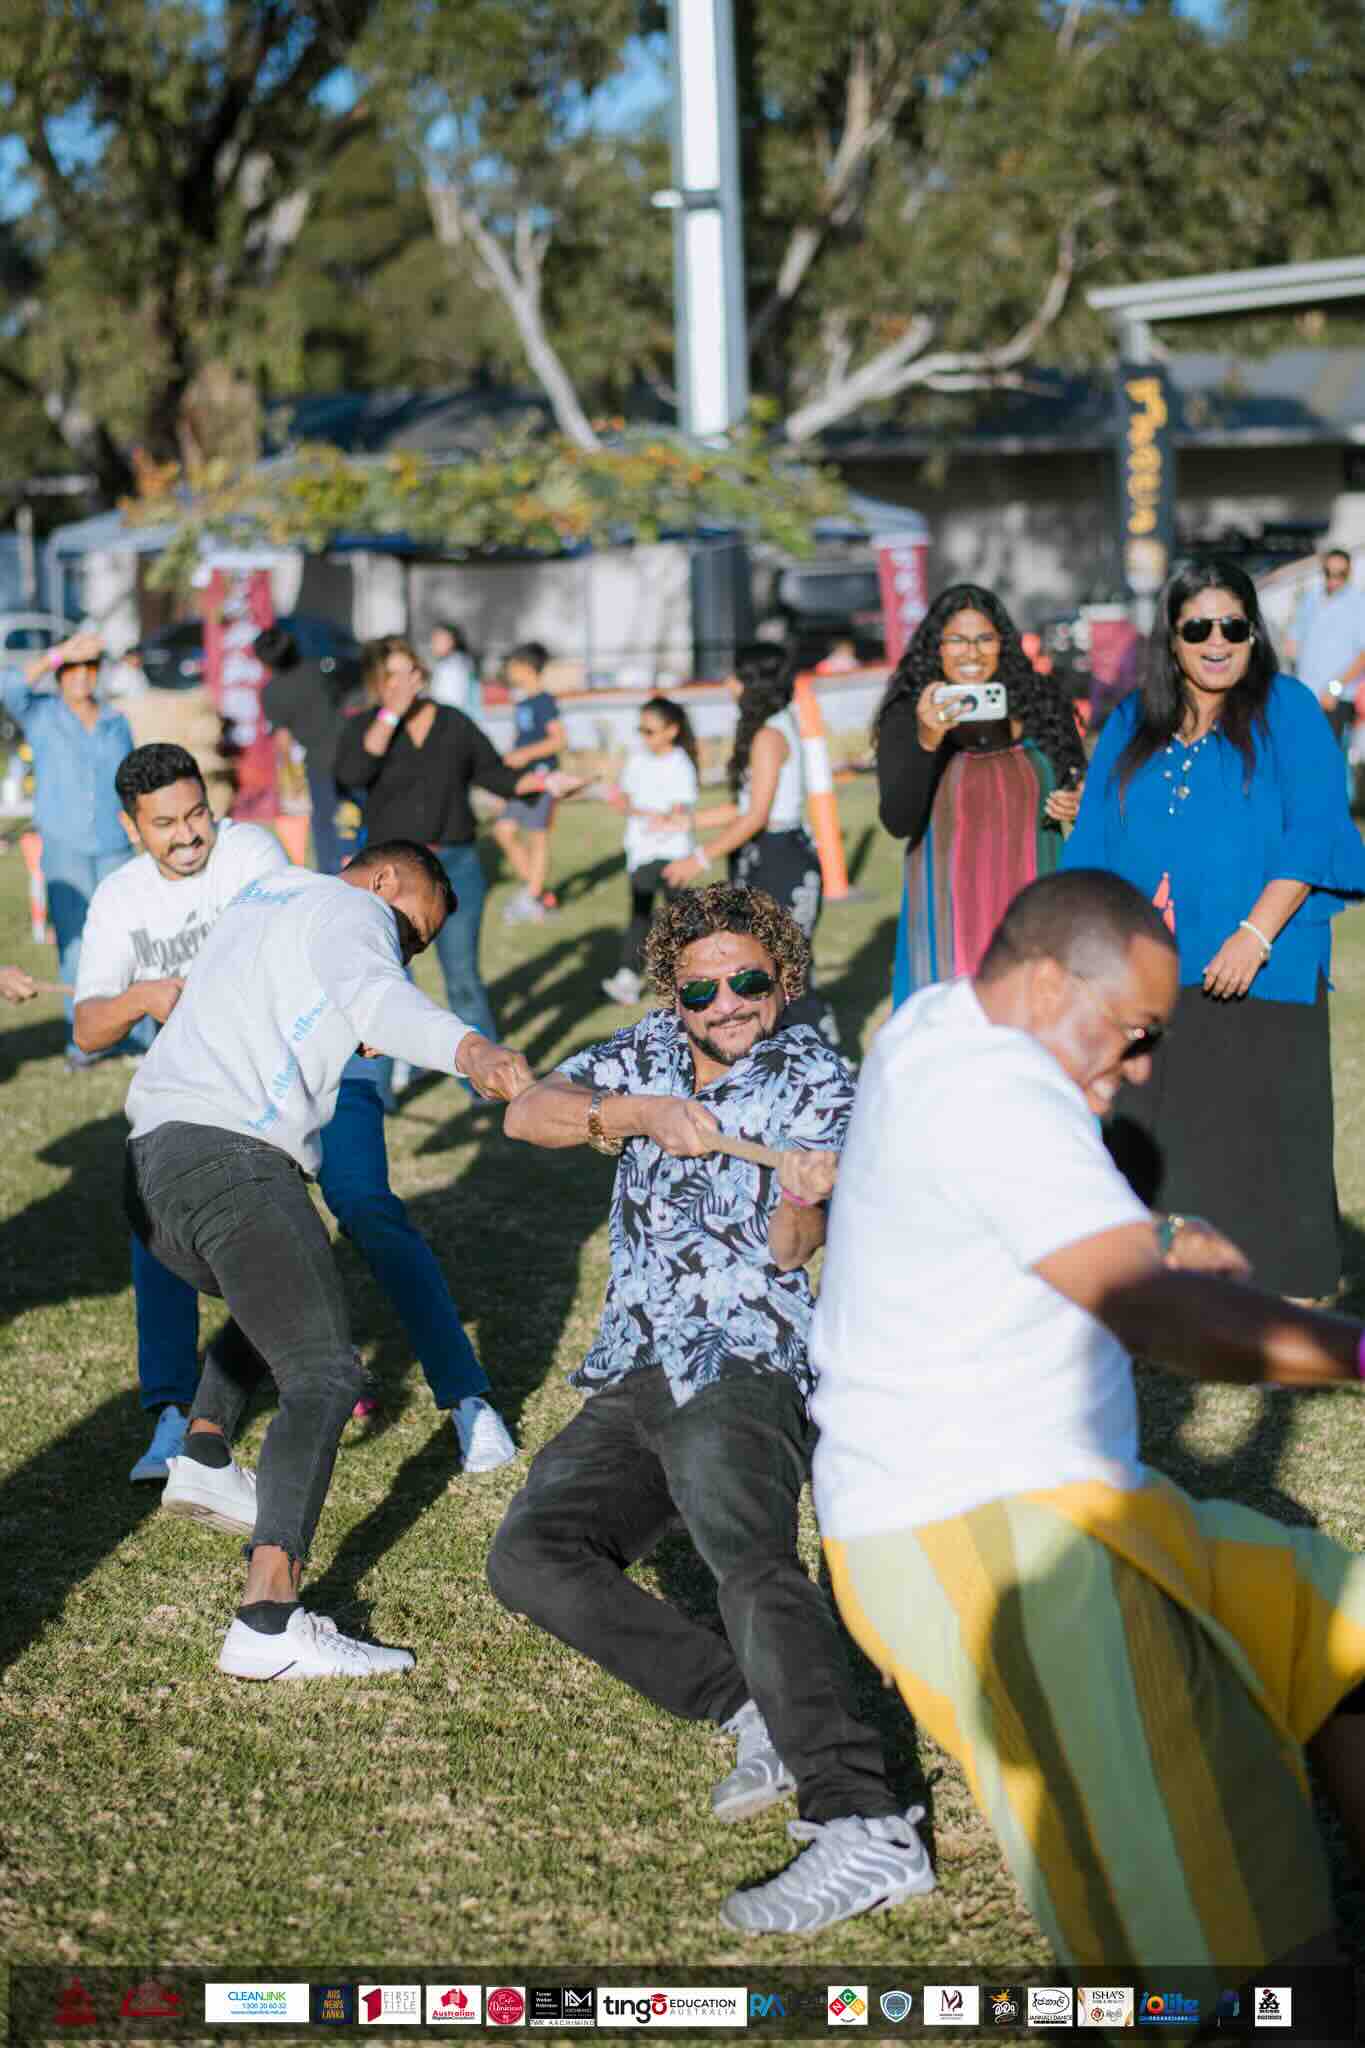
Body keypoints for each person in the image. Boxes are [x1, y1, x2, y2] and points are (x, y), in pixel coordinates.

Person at [809, 867, 1365, 1981]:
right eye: (1135, 1031)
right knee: (1234, 1947)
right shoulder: (999, 1092)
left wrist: (1146, 1237)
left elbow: (1013, 1215)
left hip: (1077, 1501)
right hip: (982, 1535)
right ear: (1051, 979)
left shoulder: (934, 1019)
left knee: (1340, 1638)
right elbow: (1161, 1319)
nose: (1143, 1065)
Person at [490, 883, 932, 1933]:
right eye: (703, 986)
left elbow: (794, 1250)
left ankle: (864, 1818)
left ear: (786, 976)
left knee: (748, 1554)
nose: (727, 1003)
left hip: (745, 1359)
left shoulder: (824, 1078)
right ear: (672, 990)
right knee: (532, 1554)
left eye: (749, 980)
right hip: (639, 1357)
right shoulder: (642, 1050)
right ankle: (750, 1704)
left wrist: (803, 1194)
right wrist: (630, 1114)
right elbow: (525, 1111)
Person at [124, 839, 534, 1678]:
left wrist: (350, 1020)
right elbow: (380, 995)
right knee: (323, 1370)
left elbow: (304, 1000)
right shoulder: (355, 910)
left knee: (286, 1289)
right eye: (412, 928)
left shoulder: (269, 896)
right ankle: (268, 1620)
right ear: (386, 879)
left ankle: (203, 1453)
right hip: (229, 1158)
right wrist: (472, 1050)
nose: (407, 946)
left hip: (147, 1169)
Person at [74, 743, 517, 1483]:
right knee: (158, 1232)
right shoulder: (119, 900)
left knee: (365, 1206)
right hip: (214, 1088)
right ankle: (177, 1418)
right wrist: (145, 997)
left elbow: (337, 950)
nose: (189, 837)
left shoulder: (253, 852)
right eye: (166, 825)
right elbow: (88, 1028)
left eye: (198, 816)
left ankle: (465, 1397)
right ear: (131, 828)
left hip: (325, 1058)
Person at [1062, 557, 1365, 1299]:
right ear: (1171, 639)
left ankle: (1284, 1279)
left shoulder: (1287, 708)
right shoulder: (1133, 720)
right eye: (1198, 628)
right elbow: (1094, 839)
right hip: (1151, 968)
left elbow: (1315, 831)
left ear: (1254, 634)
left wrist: (1252, 935)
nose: (1217, 641)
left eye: (1233, 625)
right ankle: (1166, 1273)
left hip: (1265, 961)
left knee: (1266, 1126)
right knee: (1161, 1127)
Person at [333, 638, 577, 1047]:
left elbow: (494, 772)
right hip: (389, 880)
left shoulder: (452, 722)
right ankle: (385, 1084)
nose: (405, 680)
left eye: (410, 668)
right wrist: (392, 713)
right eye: (393, 673)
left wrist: (545, 782)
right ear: (378, 681)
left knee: (463, 980)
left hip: (455, 867)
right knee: (383, 985)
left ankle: (482, 1082)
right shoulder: (366, 726)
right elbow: (353, 773)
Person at [874, 583, 1088, 1008]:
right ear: (935, 647)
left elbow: (1080, 788)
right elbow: (898, 820)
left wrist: (1077, 801)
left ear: (1002, 644)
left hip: (1035, 899)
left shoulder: (1040, 702)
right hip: (949, 908)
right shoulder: (908, 712)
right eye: (955, 639)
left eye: (984, 638)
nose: (970, 653)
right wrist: (927, 740)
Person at [663, 646, 838, 1045]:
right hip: (764, 854)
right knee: (761, 966)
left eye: (736, 676)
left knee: (785, 971)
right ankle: (775, 1056)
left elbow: (757, 816)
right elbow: (743, 807)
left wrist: (700, 857)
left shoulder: (770, 735)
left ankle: (827, 1059)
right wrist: (687, 821)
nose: (729, 684)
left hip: (780, 859)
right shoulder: (771, 728)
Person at [0, 629, 135, 1066]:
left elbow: (129, 781)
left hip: (114, 846)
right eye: (73, 669)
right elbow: (8, 686)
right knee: (76, 947)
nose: (81, 676)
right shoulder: (42, 715)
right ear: (60, 675)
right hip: (64, 847)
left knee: (127, 943)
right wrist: (59, 652)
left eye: (89, 667)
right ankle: (85, 1041)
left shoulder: (117, 722)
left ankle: (136, 1035)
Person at [600, 696, 700, 1006]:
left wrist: (660, 816)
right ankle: (628, 978)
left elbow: (679, 809)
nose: (644, 737)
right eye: (640, 730)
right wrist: (621, 802)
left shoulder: (681, 763)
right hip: (642, 851)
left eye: (650, 731)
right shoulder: (637, 759)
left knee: (679, 918)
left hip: (672, 852)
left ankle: (692, 977)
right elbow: (629, 799)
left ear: (671, 730)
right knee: (640, 916)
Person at [255, 625, 358, 875]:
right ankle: (361, 857)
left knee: (325, 820)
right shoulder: (317, 670)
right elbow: (339, 701)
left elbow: (283, 740)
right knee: (357, 809)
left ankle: (332, 870)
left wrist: (291, 776)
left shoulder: (270, 693)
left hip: (320, 760)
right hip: (351, 747)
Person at [493, 641, 566, 923]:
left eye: (512, 666)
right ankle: (538, 892)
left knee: (538, 837)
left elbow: (559, 740)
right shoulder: (522, 702)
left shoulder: (545, 701)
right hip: (522, 780)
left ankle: (533, 896)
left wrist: (525, 754)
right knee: (503, 831)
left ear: (526, 668)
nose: (508, 672)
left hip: (544, 779)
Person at [1285, 547, 1365, 790]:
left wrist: (1335, 688)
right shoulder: (1311, 598)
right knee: (1302, 758)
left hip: (1335, 698)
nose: (1333, 579)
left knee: (1329, 761)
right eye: (1329, 573)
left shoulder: (1358, 604)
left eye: (1340, 574)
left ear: (1349, 573)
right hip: (1306, 693)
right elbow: (1294, 640)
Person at [427, 622, 482, 726]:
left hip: (455, 724)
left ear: (452, 641)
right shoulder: (462, 662)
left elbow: (449, 703)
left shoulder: (452, 667)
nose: (432, 645)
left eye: (437, 640)